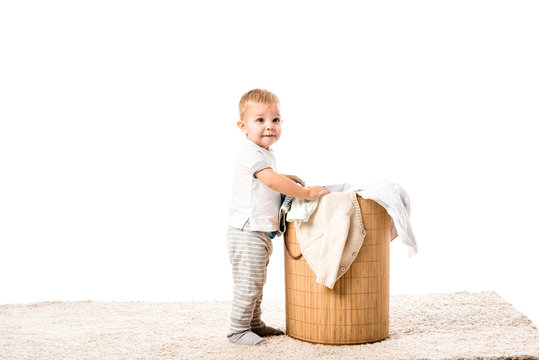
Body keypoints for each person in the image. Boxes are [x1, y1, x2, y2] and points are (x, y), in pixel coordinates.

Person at [227, 88, 330, 345]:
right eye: (260, 120)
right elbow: (270, 180)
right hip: (246, 231)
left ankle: (253, 322)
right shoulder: (252, 153)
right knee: (248, 282)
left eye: (275, 119)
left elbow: (271, 177)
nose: (269, 126)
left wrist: (286, 177)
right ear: (243, 126)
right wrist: (305, 192)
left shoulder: (264, 154)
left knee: (257, 281)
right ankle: (237, 329)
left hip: (259, 230)